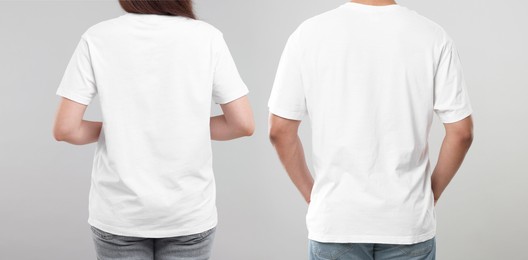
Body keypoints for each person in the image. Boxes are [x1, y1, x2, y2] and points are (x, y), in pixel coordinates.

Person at [268, 0, 474, 259]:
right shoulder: (432, 36)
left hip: (337, 219)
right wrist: (430, 194)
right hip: (407, 220)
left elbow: (279, 130)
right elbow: (462, 132)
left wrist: (313, 195)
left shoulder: (308, 34)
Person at [52, 1, 254, 259]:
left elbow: (66, 129)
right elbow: (242, 124)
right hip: (187, 212)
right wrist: (181, 124)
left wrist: (123, 127)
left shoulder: (97, 37)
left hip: (119, 213)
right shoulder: (207, 37)